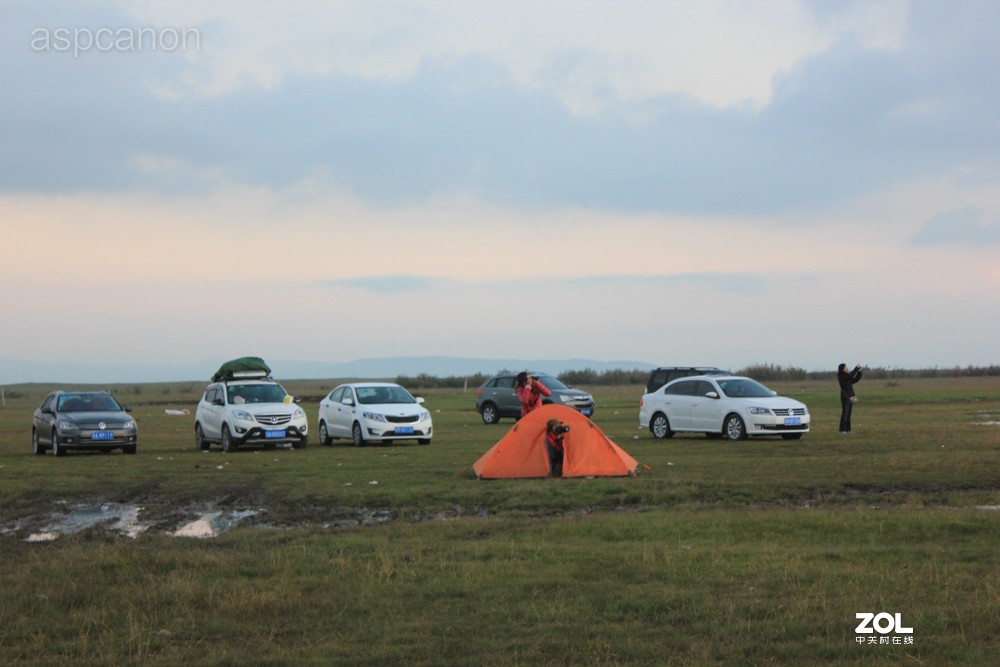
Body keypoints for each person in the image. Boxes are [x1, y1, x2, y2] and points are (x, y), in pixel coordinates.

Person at [838, 363, 864, 434]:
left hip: (851, 397)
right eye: (846, 367)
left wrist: (859, 373)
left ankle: (848, 430)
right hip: (845, 398)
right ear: (842, 368)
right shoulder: (842, 376)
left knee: (849, 414)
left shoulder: (846, 377)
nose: (847, 368)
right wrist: (857, 368)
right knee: (845, 414)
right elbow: (851, 375)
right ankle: (842, 430)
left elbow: (855, 380)